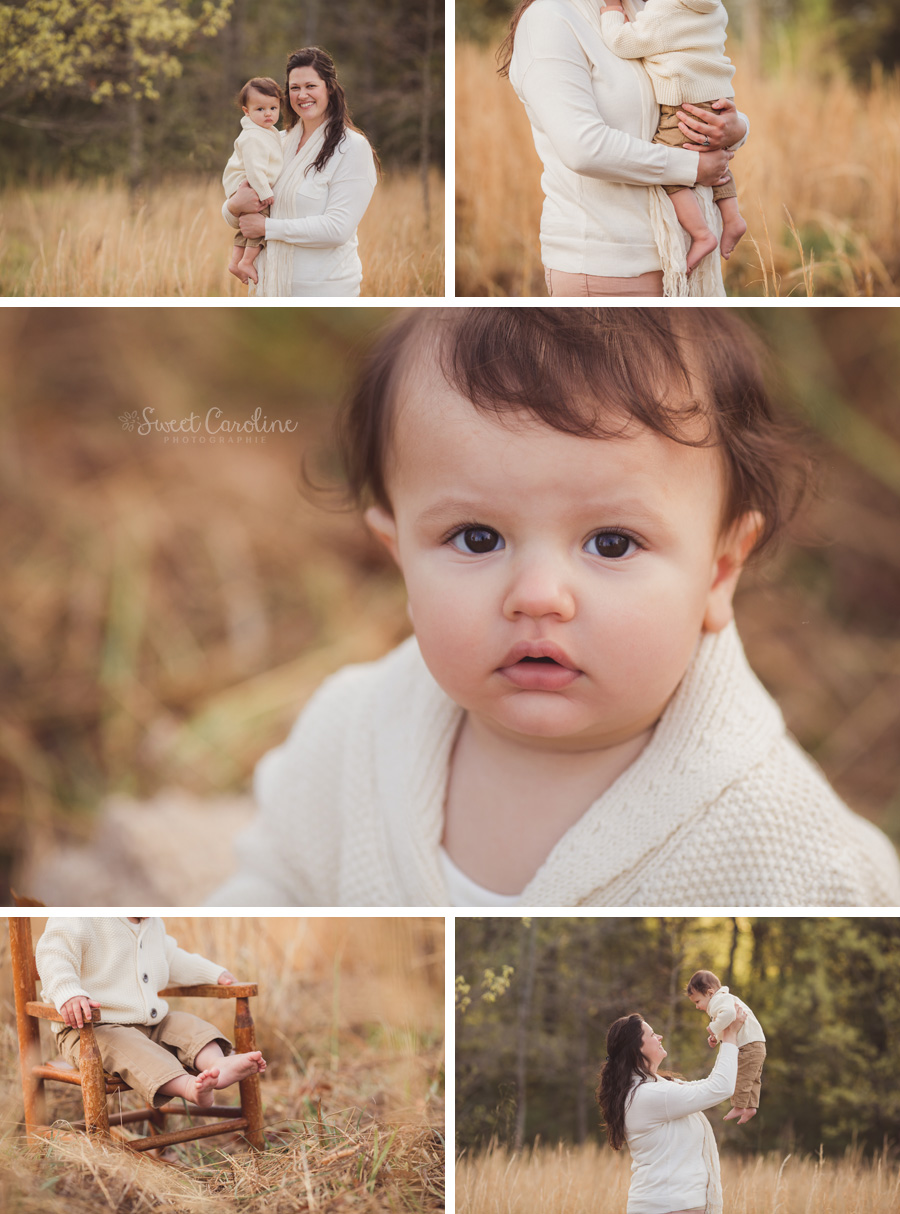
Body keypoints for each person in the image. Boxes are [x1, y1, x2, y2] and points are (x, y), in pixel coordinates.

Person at [207, 307, 900, 909]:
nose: (538, 594)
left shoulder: (790, 854)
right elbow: (277, 882)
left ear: (720, 572)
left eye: (612, 542)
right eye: (477, 538)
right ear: (398, 556)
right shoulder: (352, 732)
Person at [498, 0, 749, 297]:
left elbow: (686, 89)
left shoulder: (649, 8)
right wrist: (692, 168)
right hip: (608, 266)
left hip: (680, 263)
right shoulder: (550, 18)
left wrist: (736, 128)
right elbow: (584, 147)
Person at [36, 918, 266, 1109]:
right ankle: (188, 1086)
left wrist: (213, 973)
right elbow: (54, 954)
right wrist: (68, 992)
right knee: (127, 1044)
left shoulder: (152, 922)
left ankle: (217, 1064)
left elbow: (173, 958)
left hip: (150, 1024)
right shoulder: (80, 915)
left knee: (185, 1024)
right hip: (89, 1031)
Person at [600, 0, 747, 282]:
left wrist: (611, 12)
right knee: (717, 154)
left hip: (683, 102)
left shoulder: (666, 7)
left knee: (672, 169)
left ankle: (702, 234)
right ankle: (732, 217)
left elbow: (624, 42)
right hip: (718, 99)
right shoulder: (713, 6)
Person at [223, 47, 378, 297]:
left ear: (329, 87)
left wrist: (268, 227)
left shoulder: (352, 147)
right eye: (294, 88)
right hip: (267, 290)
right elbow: (241, 219)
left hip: (324, 293)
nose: (302, 95)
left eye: (310, 86)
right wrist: (233, 205)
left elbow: (337, 229)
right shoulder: (273, 142)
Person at [596, 1008, 745, 1214]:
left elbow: (712, 1085)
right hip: (671, 1206)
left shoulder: (654, 1088)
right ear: (636, 1049)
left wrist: (724, 1036)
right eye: (651, 1034)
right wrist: (729, 1036)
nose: (659, 1036)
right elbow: (719, 1088)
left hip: (670, 1205)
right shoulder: (650, 1094)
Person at [223, 77, 284, 286]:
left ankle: (235, 261)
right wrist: (265, 192)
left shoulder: (268, 132)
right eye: (260, 109)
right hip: (248, 185)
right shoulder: (252, 137)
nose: (268, 113)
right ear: (246, 111)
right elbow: (254, 169)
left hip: (247, 186)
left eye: (273, 108)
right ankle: (247, 261)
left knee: (247, 227)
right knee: (260, 222)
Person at [687, 969, 766, 1125]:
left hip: (747, 1046)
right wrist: (716, 1038)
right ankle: (751, 1107)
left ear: (710, 993)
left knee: (741, 1076)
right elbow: (729, 1022)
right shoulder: (726, 999)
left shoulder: (719, 1000)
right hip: (757, 1044)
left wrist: (713, 1028)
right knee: (753, 1078)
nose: (697, 1007)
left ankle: (739, 1106)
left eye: (697, 1001)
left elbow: (729, 1014)